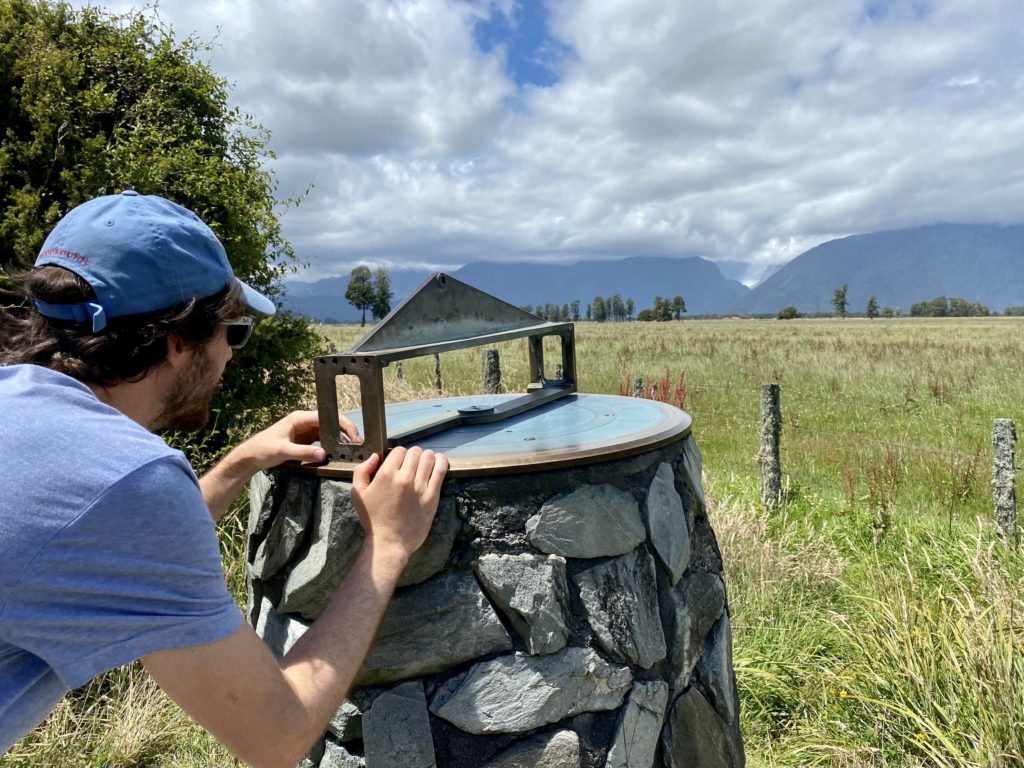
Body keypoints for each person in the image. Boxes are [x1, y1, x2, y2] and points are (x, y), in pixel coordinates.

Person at [0, 191, 448, 766]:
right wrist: (387, 546)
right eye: (233, 332)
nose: (233, 355)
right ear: (177, 340)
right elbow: (276, 737)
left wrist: (241, 460)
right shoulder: (128, 480)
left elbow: (105, 536)